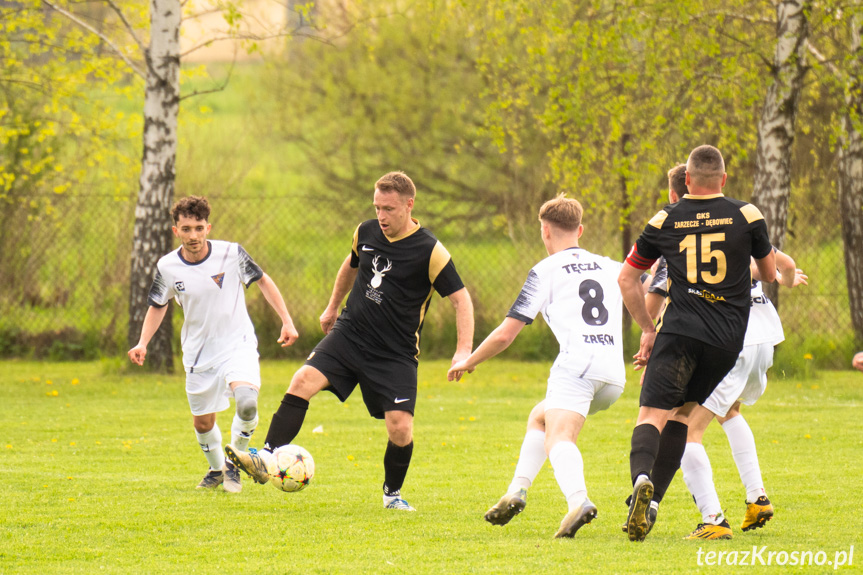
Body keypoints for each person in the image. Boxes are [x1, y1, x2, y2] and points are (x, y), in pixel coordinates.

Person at [226, 171, 474, 511]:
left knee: (400, 428)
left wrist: (463, 351)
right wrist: (331, 307)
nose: (381, 217)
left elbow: (461, 299)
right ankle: (265, 458)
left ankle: (392, 495)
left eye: (388, 209)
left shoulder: (430, 251)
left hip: (395, 353)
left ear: (409, 205)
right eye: (377, 208)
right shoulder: (366, 231)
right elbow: (352, 263)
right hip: (350, 334)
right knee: (302, 380)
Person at [617, 145, 776, 542]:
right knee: (682, 416)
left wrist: (647, 329)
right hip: (727, 341)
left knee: (651, 416)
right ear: (723, 180)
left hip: (681, 330)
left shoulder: (664, 218)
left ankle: (641, 480)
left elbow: (626, 278)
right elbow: (770, 273)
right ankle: (652, 506)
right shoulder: (748, 215)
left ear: (686, 180)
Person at [448, 194, 626, 538]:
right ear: (581, 230)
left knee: (559, 435)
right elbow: (648, 287)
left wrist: (470, 360)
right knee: (540, 417)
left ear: (545, 231)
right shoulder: (610, 265)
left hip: (575, 368)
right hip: (613, 375)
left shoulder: (544, 271)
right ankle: (516, 490)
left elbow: (505, 334)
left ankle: (579, 501)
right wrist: (650, 332)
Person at [128, 196, 298, 492]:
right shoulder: (167, 266)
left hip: (238, 344)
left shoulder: (231, 254)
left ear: (208, 227)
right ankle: (218, 467)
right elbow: (158, 304)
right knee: (203, 424)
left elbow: (263, 281)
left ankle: (236, 461)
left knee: (246, 403)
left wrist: (286, 319)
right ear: (175, 231)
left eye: (198, 228)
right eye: (186, 229)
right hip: (198, 354)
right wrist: (143, 342)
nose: (193, 235)